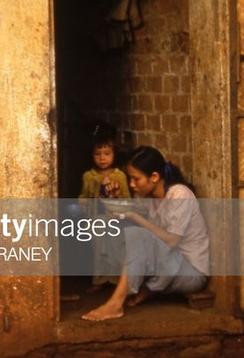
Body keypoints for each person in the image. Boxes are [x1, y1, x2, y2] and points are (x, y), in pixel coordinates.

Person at [82, 146, 209, 322]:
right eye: (130, 178)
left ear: (154, 177)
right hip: (166, 266)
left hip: (189, 272)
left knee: (138, 235)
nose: (132, 184)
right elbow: (122, 216)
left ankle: (116, 304)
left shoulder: (179, 195)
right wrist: (115, 198)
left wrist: (134, 216)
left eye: (136, 179)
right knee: (106, 224)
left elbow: (171, 241)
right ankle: (149, 287)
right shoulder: (145, 196)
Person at [77, 123, 130, 291]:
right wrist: (82, 201)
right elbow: (84, 195)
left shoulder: (120, 176)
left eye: (107, 154)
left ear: (114, 154)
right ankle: (99, 280)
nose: (102, 158)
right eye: (97, 154)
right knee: (98, 249)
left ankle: (115, 281)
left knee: (116, 248)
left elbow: (128, 200)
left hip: (115, 220)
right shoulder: (88, 176)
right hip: (95, 220)